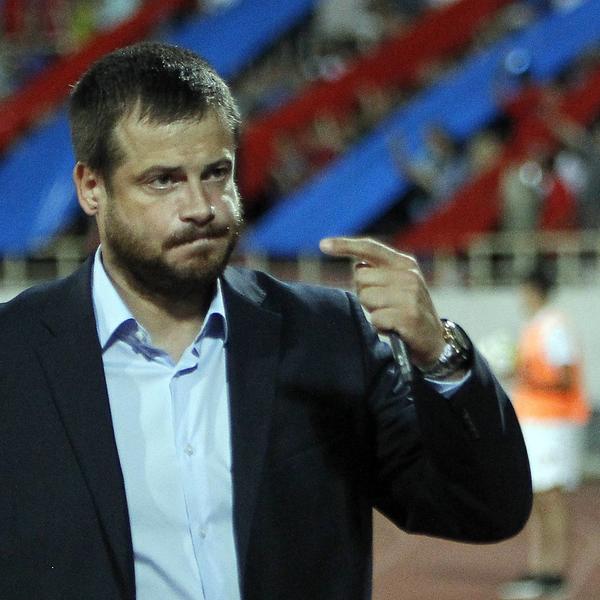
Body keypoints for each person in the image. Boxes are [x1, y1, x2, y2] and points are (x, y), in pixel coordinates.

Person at [0, 42, 532, 600]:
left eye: (216, 173)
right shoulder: (14, 355)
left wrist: (440, 355)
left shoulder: (328, 336)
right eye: (163, 180)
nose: (201, 206)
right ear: (92, 188)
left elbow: (485, 508)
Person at [499, 266, 589, 600]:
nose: (520, 297)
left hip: (552, 424)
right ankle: (539, 568)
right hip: (536, 423)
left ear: (535, 290)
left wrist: (526, 377)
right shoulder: (536, 325)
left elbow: (565, 378)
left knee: (550, 498)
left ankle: (554, 573)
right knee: (536, 498)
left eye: (524, 290)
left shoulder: (553, 326)